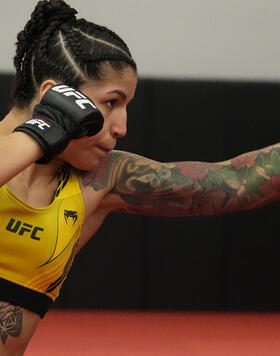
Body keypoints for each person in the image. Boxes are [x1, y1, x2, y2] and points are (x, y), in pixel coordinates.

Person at [1, 0, 280, 354]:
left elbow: (236, 184)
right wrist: (42, 132)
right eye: (111, 103)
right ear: (55, 97)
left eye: (127, 106)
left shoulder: (101, 180)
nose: (122, 127)